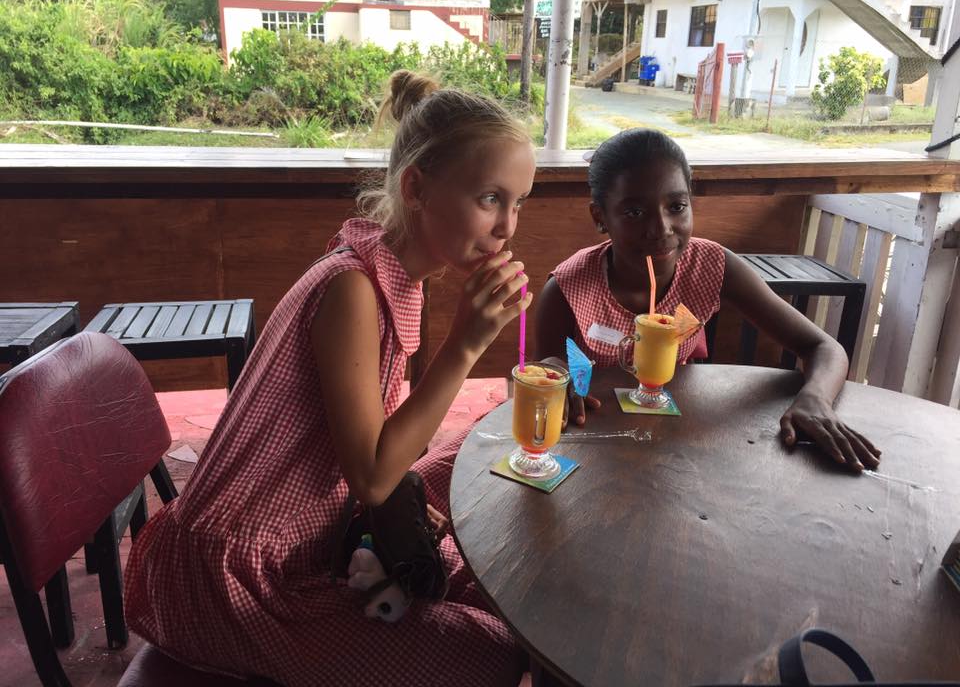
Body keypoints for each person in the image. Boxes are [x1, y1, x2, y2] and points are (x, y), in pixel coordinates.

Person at [124, 70, 536, 686]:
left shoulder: (393, 276)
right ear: (416, 188)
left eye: (519, 202)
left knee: (489, 513)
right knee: (495, 654)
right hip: (236, 578)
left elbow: (376, 454)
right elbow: (371, 476)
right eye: (489, 199)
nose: (508, 227)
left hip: (310, 530)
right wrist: (466, 346)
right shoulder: (350, 288)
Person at [534, 128, 881, 473]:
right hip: (595, 453)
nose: (661, 228)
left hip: (679, 444)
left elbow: (823, 347)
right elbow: (548, 375)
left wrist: (815, 398)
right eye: (634, 213)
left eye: (676, 206)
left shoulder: (711, 266)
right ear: (600, 217)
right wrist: (554, 372)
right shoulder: (568, 288)